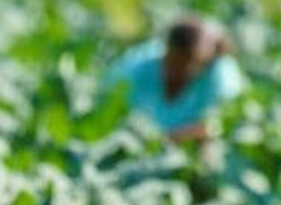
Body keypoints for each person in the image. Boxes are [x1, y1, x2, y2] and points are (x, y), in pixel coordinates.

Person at [105, 17, 245, 142]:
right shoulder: (137, 68)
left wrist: (173, 138)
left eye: (187, 64)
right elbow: (112, 115)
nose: (178, 69)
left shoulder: (219, 75)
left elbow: (221, 127)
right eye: (173, 62)